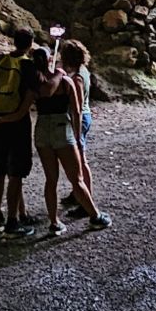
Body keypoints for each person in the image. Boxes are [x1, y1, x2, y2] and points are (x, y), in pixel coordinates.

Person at [30, 47, 111, 233]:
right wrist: (76, 135)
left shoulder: (35, 84)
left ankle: (54, 222)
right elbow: (76, 111)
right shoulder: (66, 81)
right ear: (50, 60)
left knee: (51, 180)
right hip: (62, 129)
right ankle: (95, 216)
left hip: (41, 129)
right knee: (76, 179)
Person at [0, 28, 38, 235]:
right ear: (30, 44)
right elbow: (31, 97)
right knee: (16, 173)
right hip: (17, 124)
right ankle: (12, 221)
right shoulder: (28, 65)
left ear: (14, 41)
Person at [57, 39, 97, 214]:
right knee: (78, 160)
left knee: (81, 160)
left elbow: (77, 108)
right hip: (83, 117)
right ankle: (77, 194)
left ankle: (86, 201)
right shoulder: (83, 70)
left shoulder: (78, 78)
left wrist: (77, 131)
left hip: (80, 119)